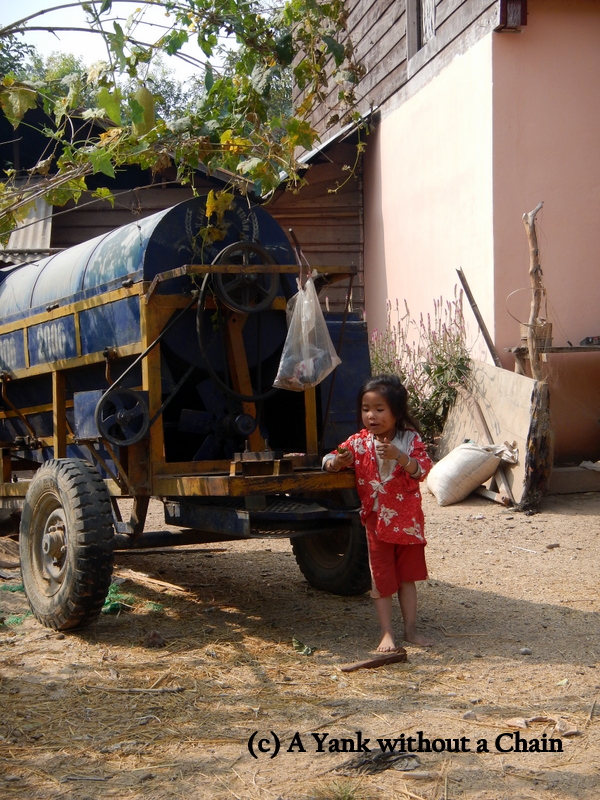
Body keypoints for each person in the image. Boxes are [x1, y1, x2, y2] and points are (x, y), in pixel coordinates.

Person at [323, 374, 434, 651]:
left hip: (407, 522)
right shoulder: (359, 442)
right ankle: (387, 633)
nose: (371, 416)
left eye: (379, 409)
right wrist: (338, 461)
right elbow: (327, 460)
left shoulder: (410, 440)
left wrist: (399, 456)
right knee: (381, 579)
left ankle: (410, 630)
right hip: (376, 522)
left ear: (396, 412)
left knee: (407, 578)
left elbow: (422, 470)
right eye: (365, 409)